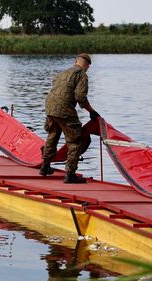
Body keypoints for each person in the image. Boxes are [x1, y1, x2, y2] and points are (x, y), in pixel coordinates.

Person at [39, 53, 101, 184]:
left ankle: (45, 166)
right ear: (87, 66)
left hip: (50, 106)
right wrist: (91, 111)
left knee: (53, 135)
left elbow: (54, 87)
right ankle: (70, 174)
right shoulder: (81, 75)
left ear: (76, 61)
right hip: (64, 109)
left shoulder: (63, 72)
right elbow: (80, 97)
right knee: (76, 140)